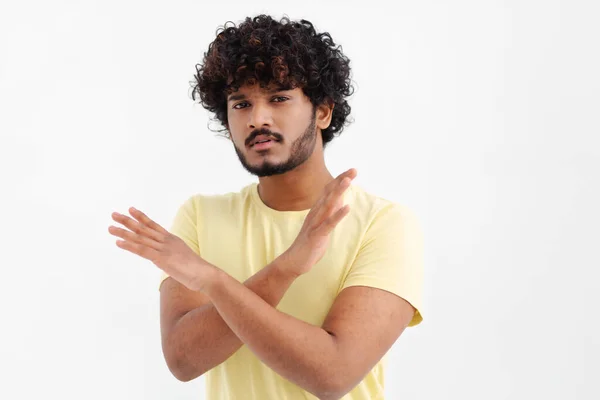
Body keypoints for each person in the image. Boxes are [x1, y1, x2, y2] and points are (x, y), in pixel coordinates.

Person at [109, 14, 424, 400]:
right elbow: (183, 361)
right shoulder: (200, 217)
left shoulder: (385, 224)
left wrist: (214, 280)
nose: (257, 118)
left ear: (323, 111)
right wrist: (284, 269)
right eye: (241, 104)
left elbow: (333, 374)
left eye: (279, 98)